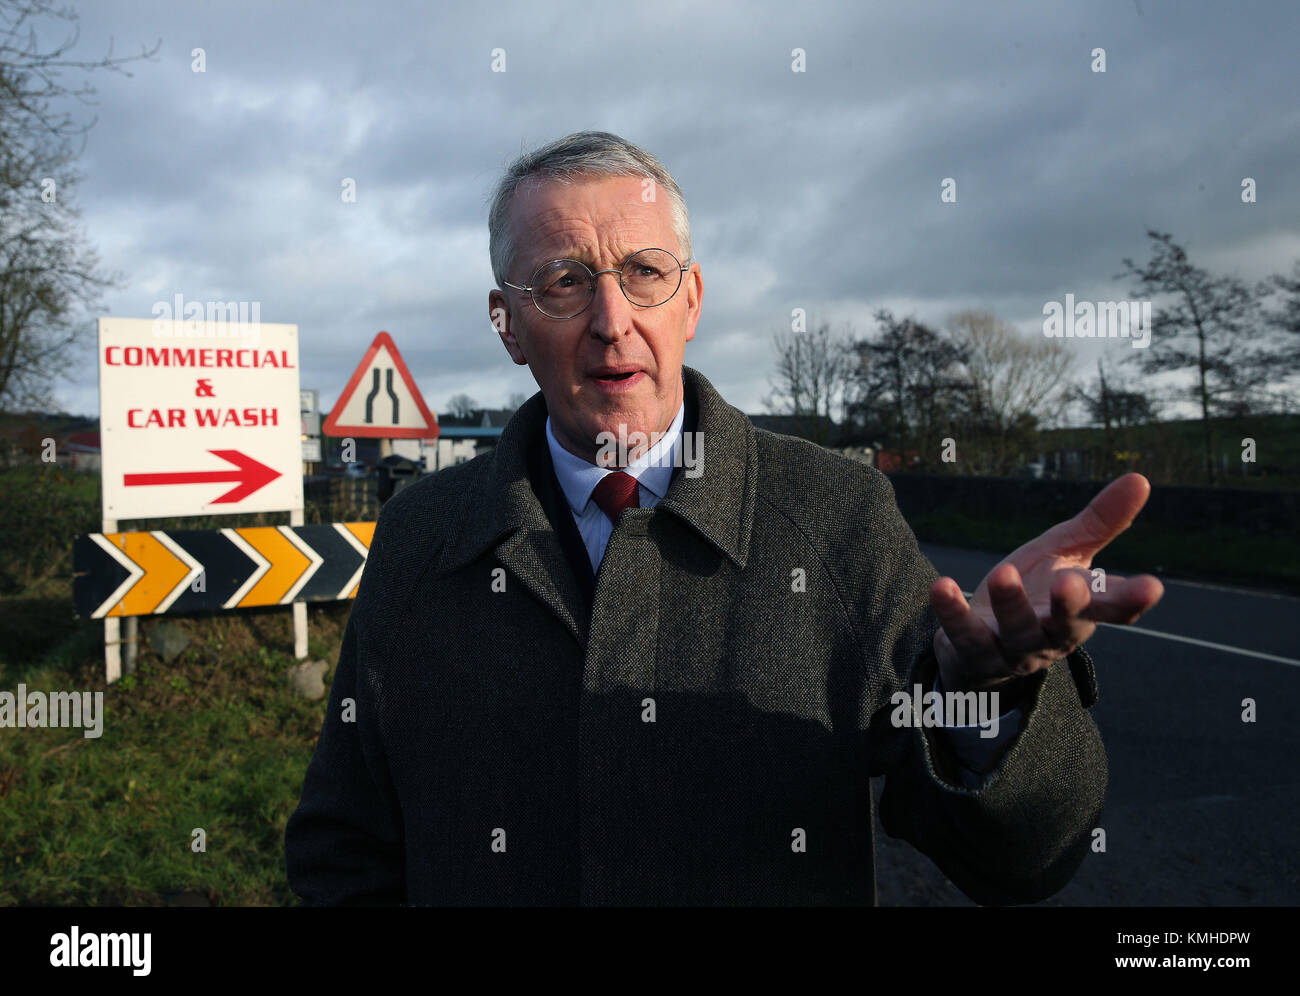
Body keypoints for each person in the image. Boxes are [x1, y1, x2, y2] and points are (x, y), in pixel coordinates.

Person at [285, 131, 1164, 906]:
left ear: (692, 300)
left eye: (644, 273)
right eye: (564, 281)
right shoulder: (422, 535)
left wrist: (985, 693)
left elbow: (1014, 864)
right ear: (508, 324)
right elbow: (346, 848)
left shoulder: (836, 516)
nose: (612, 321)